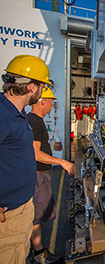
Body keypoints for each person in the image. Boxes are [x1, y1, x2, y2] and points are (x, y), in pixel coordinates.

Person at [0, 54, 52, 263]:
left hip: (21, 207)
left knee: (20, 253)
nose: (41, 92)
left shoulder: (17, 113)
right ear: (32, 87)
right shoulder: (3, 114)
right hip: (8, 213)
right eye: (41, 87)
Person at [28, 87, 76, 263]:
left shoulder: (36, 121)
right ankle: (39, 254)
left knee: (38, 216)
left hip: (41, 175)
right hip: (37, 176)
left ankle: (38, 250)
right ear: (42, 102)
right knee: (36, 217)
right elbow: (35, 154)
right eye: (50, 101)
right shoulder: (33, 122)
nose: (52, 104)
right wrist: (62, 162)